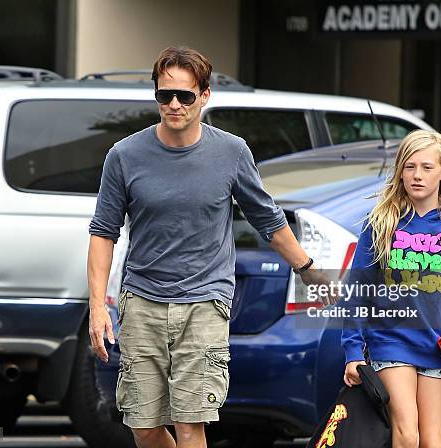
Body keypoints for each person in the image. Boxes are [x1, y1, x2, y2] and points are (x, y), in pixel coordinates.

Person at [87, 46, 327, 448]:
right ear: (156, 96)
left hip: (205, 302)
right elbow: (103, 232)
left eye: (184, 95)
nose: (175, 105)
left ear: (205, 95)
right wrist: (97, 306)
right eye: (165, 96)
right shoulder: (125, 155)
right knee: (143, 426)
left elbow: (267, 219)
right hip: (142, 300)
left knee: (189, 423)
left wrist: (308, 270)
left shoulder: (231, 152)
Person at [341, 130, 441, 448]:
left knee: (432, 441)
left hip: (438, 347)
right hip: (390, 342)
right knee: (407, 436)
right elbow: (357, 291)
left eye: (426, 167)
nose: (417, 175)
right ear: (400, 171)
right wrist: (353, 352)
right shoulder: (382, 223)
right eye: (409, 167)